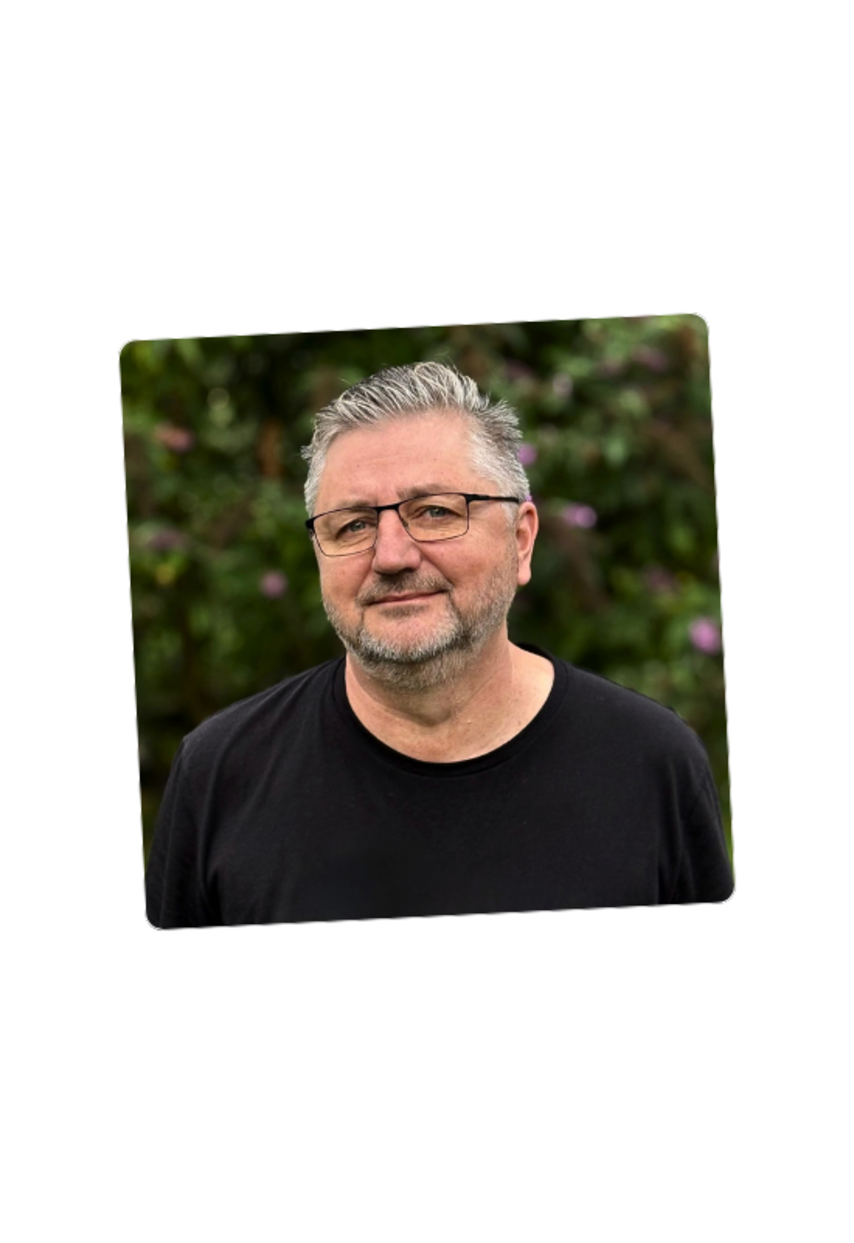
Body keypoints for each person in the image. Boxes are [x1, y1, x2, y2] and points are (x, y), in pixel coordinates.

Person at [145, 362, 733, 927]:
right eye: (353, 524)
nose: (391, 556)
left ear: (521, 541)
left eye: (434, 512)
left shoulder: (649, 764)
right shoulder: (220, 775)